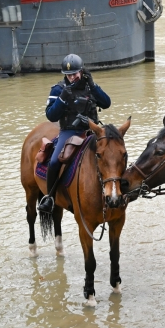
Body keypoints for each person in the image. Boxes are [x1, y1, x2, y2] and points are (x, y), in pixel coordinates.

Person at [37, 54, 111, 213]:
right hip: (69, 132)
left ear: (82, 71)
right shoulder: (58, 89)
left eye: (75, 74)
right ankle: (49, 197)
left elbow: (106, 103)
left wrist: (93, 85)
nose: (72, 77)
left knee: (113, 152)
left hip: (92, 130)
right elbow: (51, 116)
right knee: (55, 161)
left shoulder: (89, 86)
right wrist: (63, 98)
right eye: (68, 75)